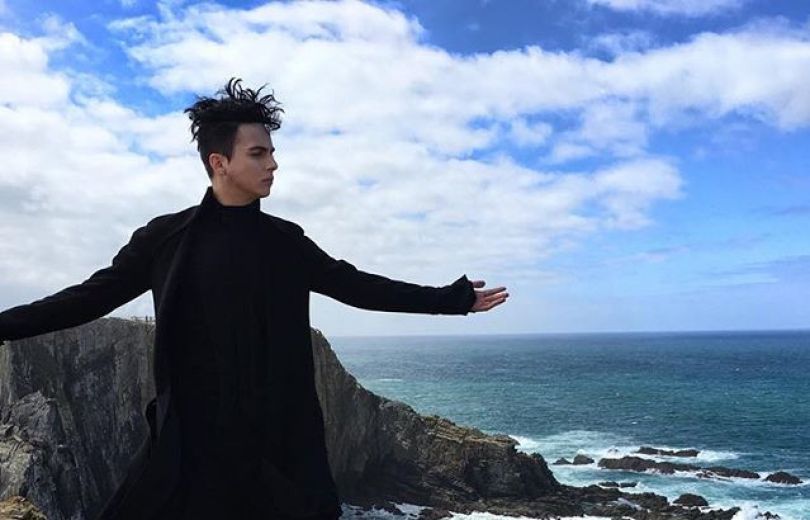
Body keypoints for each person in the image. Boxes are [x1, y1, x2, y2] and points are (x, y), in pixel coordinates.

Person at [0, 78, 509, 519]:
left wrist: (452, 299)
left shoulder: (285, 242)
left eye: (271, 153)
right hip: (190, 453)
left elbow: (358, 287)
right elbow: (87, 300)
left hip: (278, 454)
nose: (273, 164)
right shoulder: (166, 240)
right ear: (219, 162)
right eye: (258, 154)